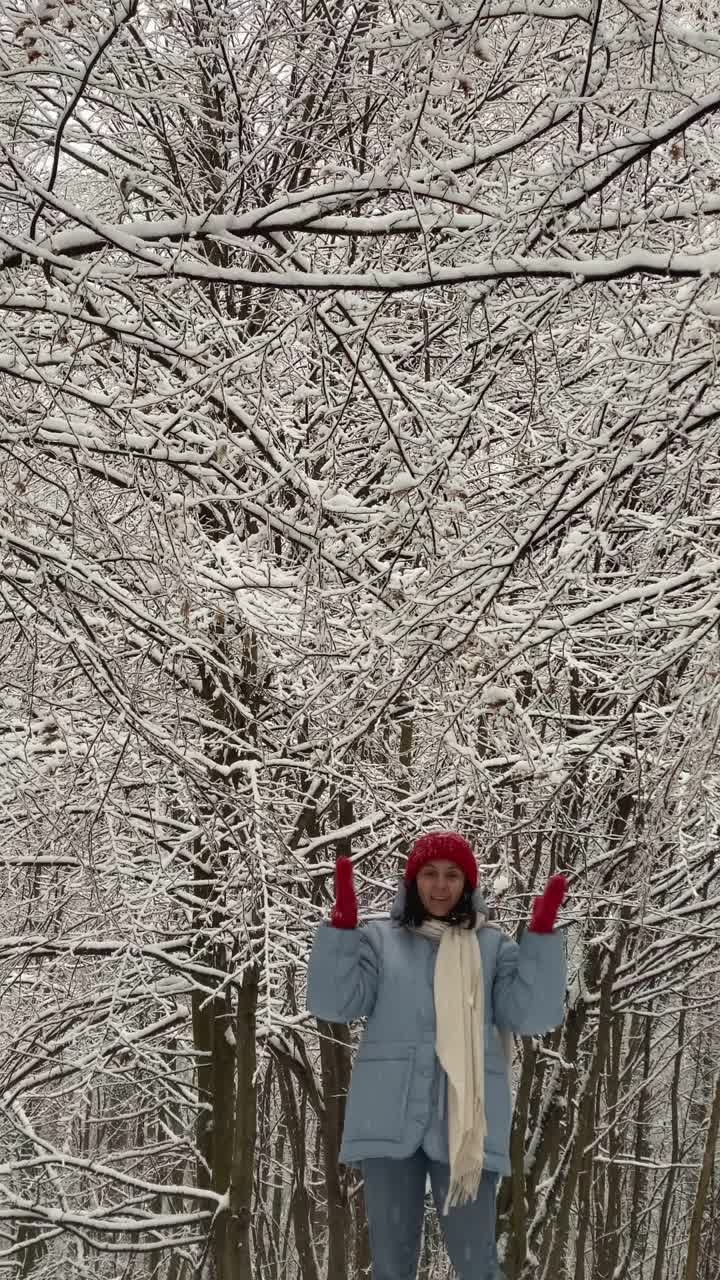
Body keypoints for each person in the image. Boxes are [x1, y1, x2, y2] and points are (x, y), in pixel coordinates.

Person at [306, 831, 567, 1280]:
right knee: (391, 1267)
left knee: (477, 1264)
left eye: (452, 875)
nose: (441, 886)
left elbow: (530, 1016)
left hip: (466, 1126)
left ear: (468, 885)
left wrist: (540, 937)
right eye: (429, 874)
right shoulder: (380, 941)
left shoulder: (492, 947)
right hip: (388, 1121)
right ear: (413, 881)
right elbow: (336, 1004)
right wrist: (342, 931)